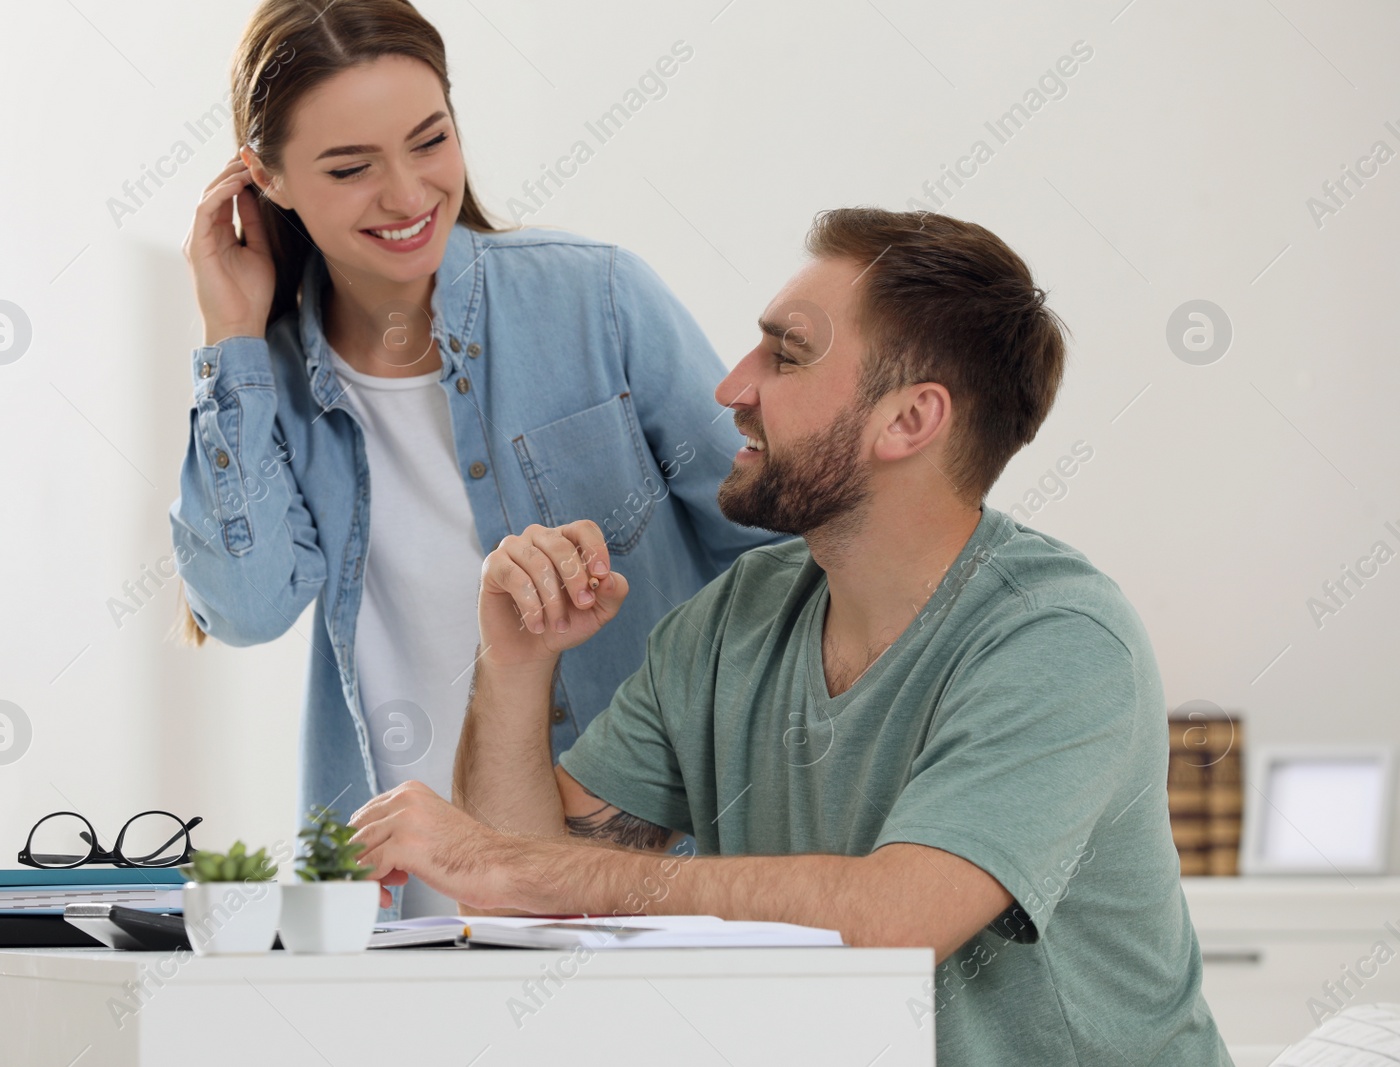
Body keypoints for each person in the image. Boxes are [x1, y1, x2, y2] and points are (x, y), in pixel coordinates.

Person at [346, 208, 1233, 1064]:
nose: (732, 387)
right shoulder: (742, 615)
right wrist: (516, 662)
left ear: (910, 420)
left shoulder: (1058, 641)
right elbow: (532, 885)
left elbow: (895, 920)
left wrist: (521, 869)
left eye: (785, 354)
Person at [168, 0, 783, 918]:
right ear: (268, 178)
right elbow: (247, 609)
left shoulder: (596, 300)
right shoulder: (270, 376)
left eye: (430, 140)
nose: (408, 194)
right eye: (350, 167)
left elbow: (777, 551)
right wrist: (231, 338)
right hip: (397, 912)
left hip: (635, 887)